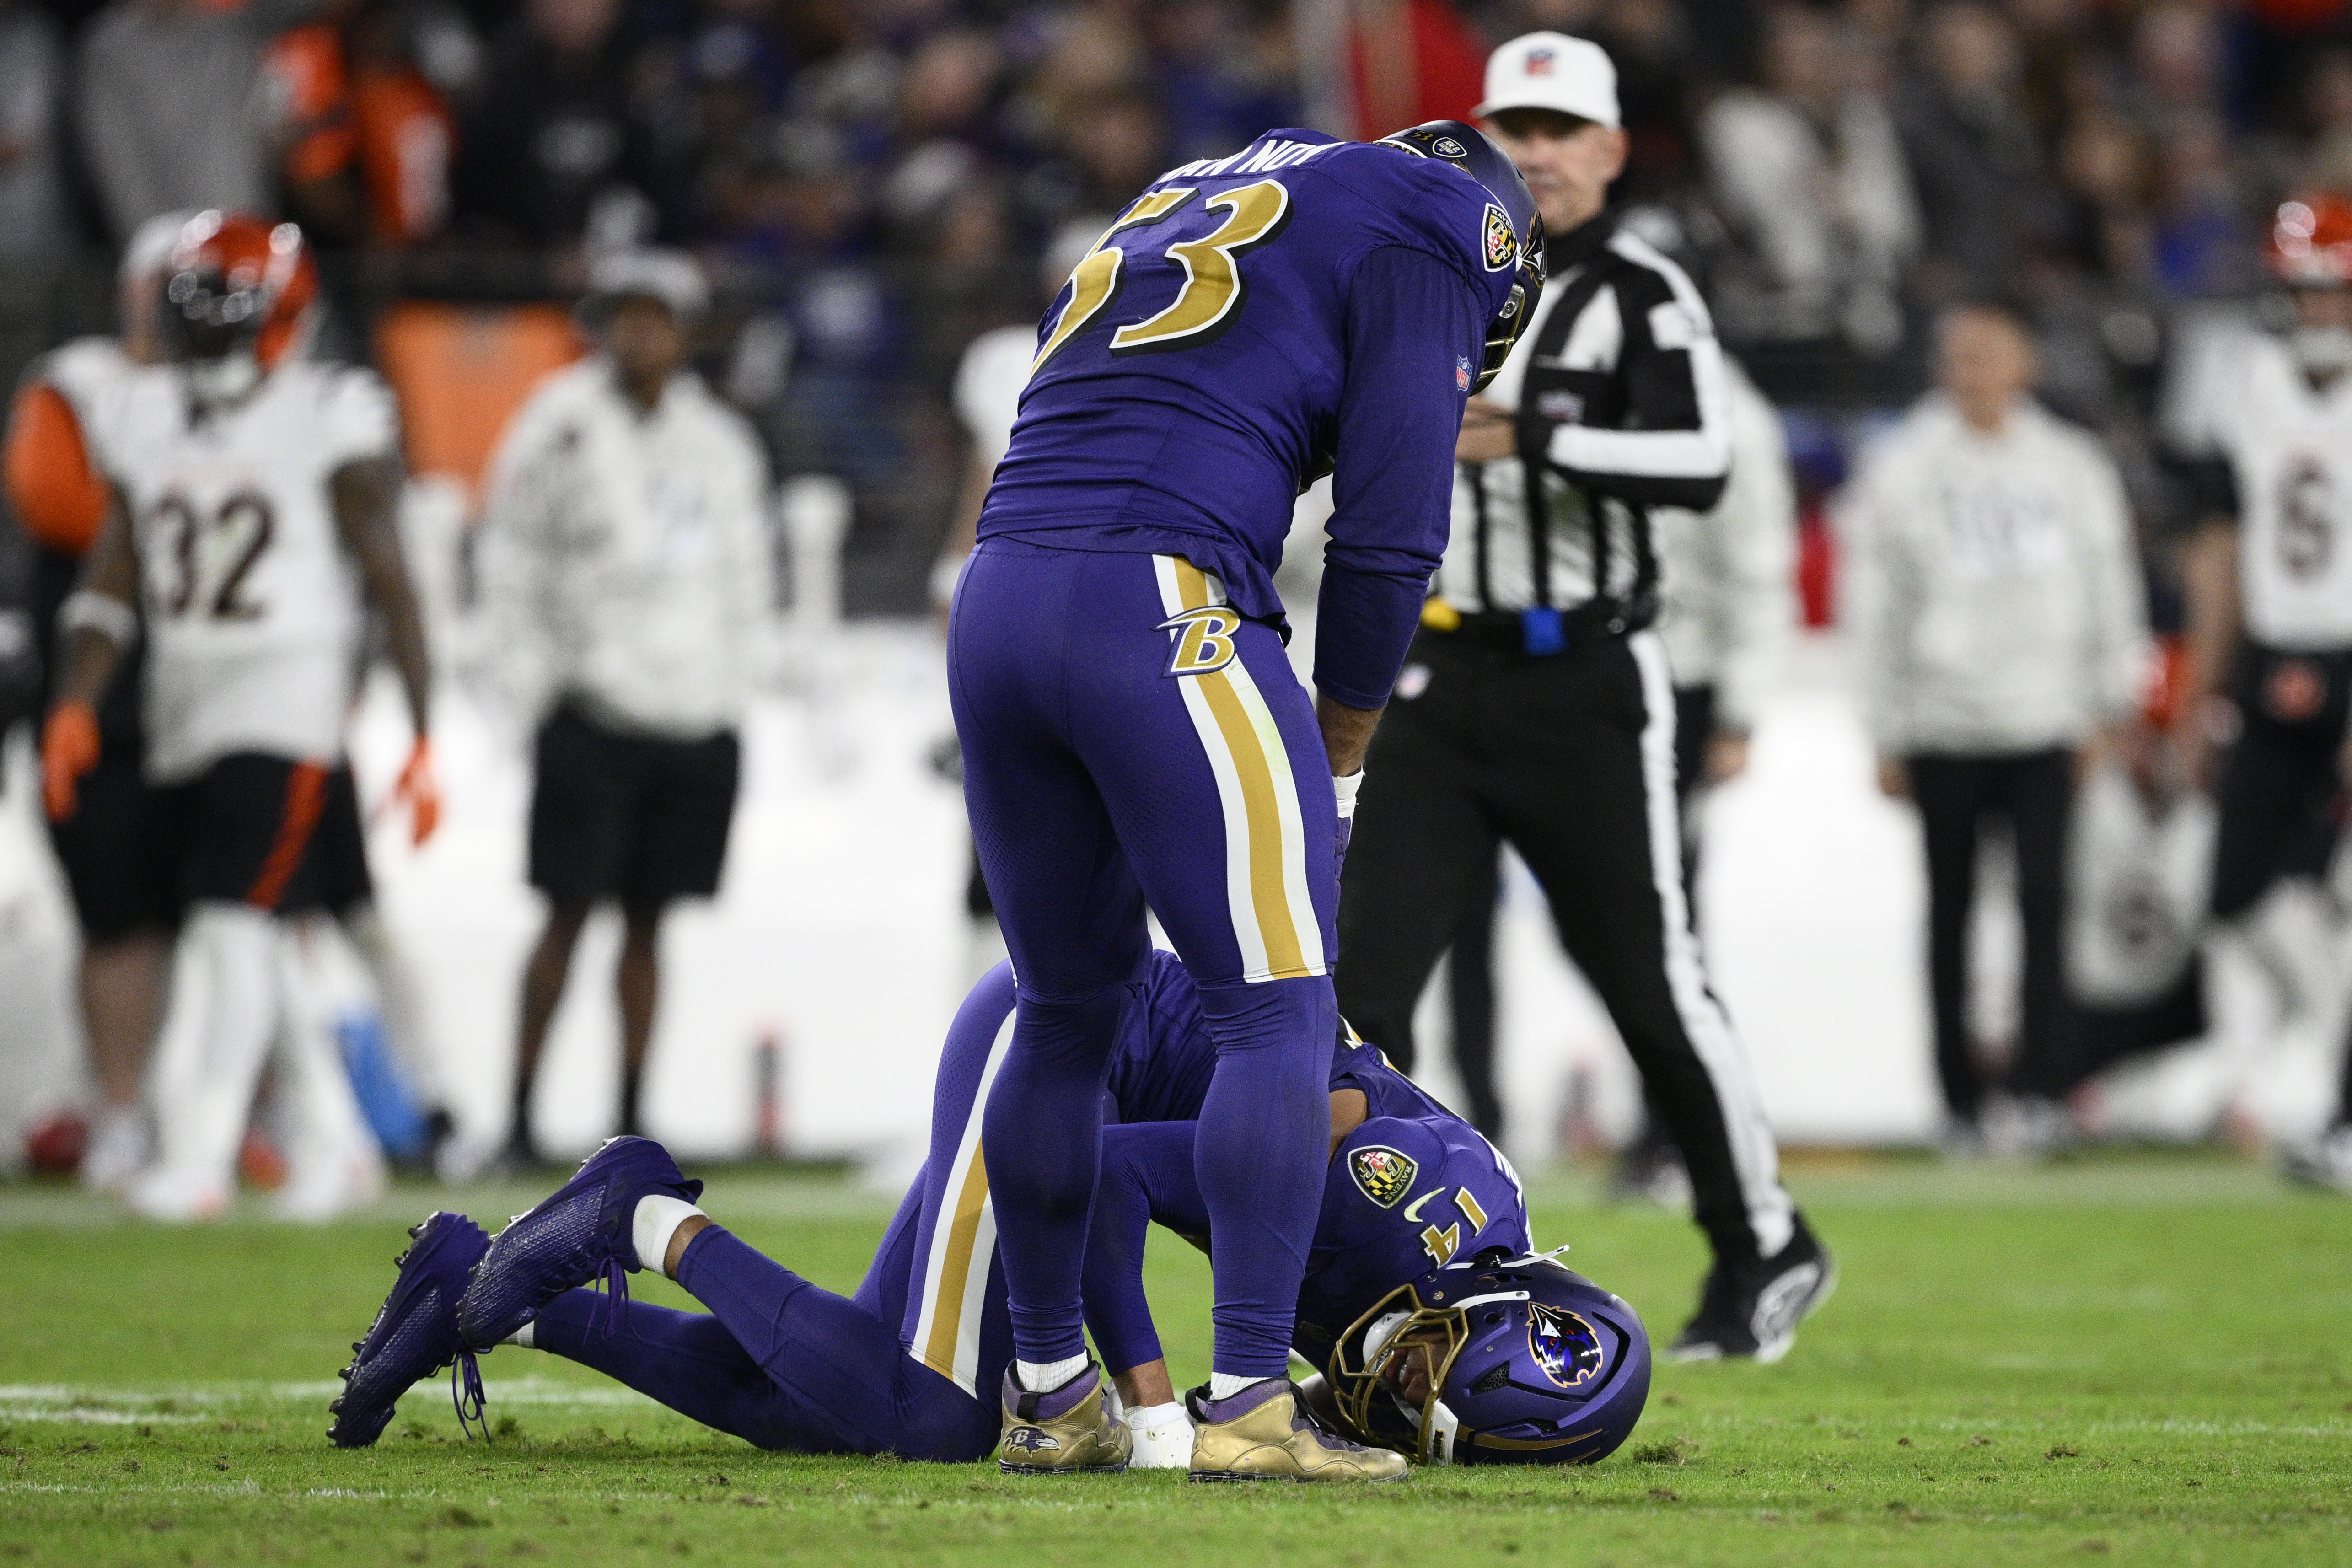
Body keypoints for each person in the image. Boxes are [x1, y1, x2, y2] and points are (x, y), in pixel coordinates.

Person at [946, 118, 1545, 1478]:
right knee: (1278, 1001)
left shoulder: (1191, 186)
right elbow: (1391, 528)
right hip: (1157, 595)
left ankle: (1051, 1394)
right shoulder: (1435, 230)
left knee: (1066, 1005)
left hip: (998, 593)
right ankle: (1246, 1407)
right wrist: (1341, 745)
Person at [327, 953, 1650, 1473]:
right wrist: (1138, 1397)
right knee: (931, 1414)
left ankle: (487, 1293)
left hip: (1080, 1078)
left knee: (840, 1392)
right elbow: (1112, 1175)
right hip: (1060, 1050)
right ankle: (638, 1215)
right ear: (1477, 1303)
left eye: (1412, 1401)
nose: (1383, 1381)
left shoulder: (1448, 1248)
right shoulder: (1389, 1196)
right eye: (1422, 1366)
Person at [1334, 34, 1832, 1365]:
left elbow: (1703, 456)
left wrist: (1534, 431)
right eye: (1518, 127)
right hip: (1433, 676)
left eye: (1565, 130)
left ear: (1611, 151)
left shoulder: (1640, 287)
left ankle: (1763, 1233)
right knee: (1355, 991)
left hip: (1588, 678)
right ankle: (1377, 1275)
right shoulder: (1426, 273)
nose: (1539, 153)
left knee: (1647, 980)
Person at [40, 211, 440, 1220]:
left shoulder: (329, 411)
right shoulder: (140, 413)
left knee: (231, 927)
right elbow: (112, 576)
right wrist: (75, 706)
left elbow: (391, 578)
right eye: (193, 313)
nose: (202, 333)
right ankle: (338, 1141)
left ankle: (202, 1155)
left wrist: (423, 730)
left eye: (224, 316)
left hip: (286, 695)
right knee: (246, 936)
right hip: (186, 702)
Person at [478, 249, 772, 1167]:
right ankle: (519, 1114)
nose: (637, 335)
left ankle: (631, 1116)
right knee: (566, 913)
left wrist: (735, 687)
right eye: (623, 317)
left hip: (692, 712)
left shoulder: (719, 443)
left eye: (655, 318)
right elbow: (509, 558)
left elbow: (747, 576)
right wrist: (525, 684)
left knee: (652, 919)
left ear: (684, 333)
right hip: (591, 707)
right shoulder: (555, 425)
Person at [1844, 302, 2147, 1152]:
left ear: (2026, 362)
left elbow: (2108, 585)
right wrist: (1881, 725)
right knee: (1949, 915)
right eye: (1958, 353)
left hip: (2046, 717)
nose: (1971, 367)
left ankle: (2045, 1088)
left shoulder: (2069, 462)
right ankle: (1960, 1101)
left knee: (2047, 910)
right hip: (1941, 721)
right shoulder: (1902, 462)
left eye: (1988, 352)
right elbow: (1875, 601)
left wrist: (2104, 704)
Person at [5, 212, 193, 1191]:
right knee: (115, 916)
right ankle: (120, 1111)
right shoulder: (77, 384)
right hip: (105, 697)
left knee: (235, 918)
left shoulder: (254, 400)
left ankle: (217, 1111)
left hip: (217, 691)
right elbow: (58, 502)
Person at [2168, 197, 2352, 1194]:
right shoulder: (2243, 380)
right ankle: (2323, 1027)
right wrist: (2204, 684)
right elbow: (2218, 550)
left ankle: (2342, 1114)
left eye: (2333, 289)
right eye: (2305, 289)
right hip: (2277, 651)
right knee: (2237, 885)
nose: (2318, 310)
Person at [74, 0, 275, 243]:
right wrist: (164, 251)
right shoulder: (109, 51)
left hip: (254, 235)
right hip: (174, 249)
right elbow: (124, 175)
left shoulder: (233, 31)